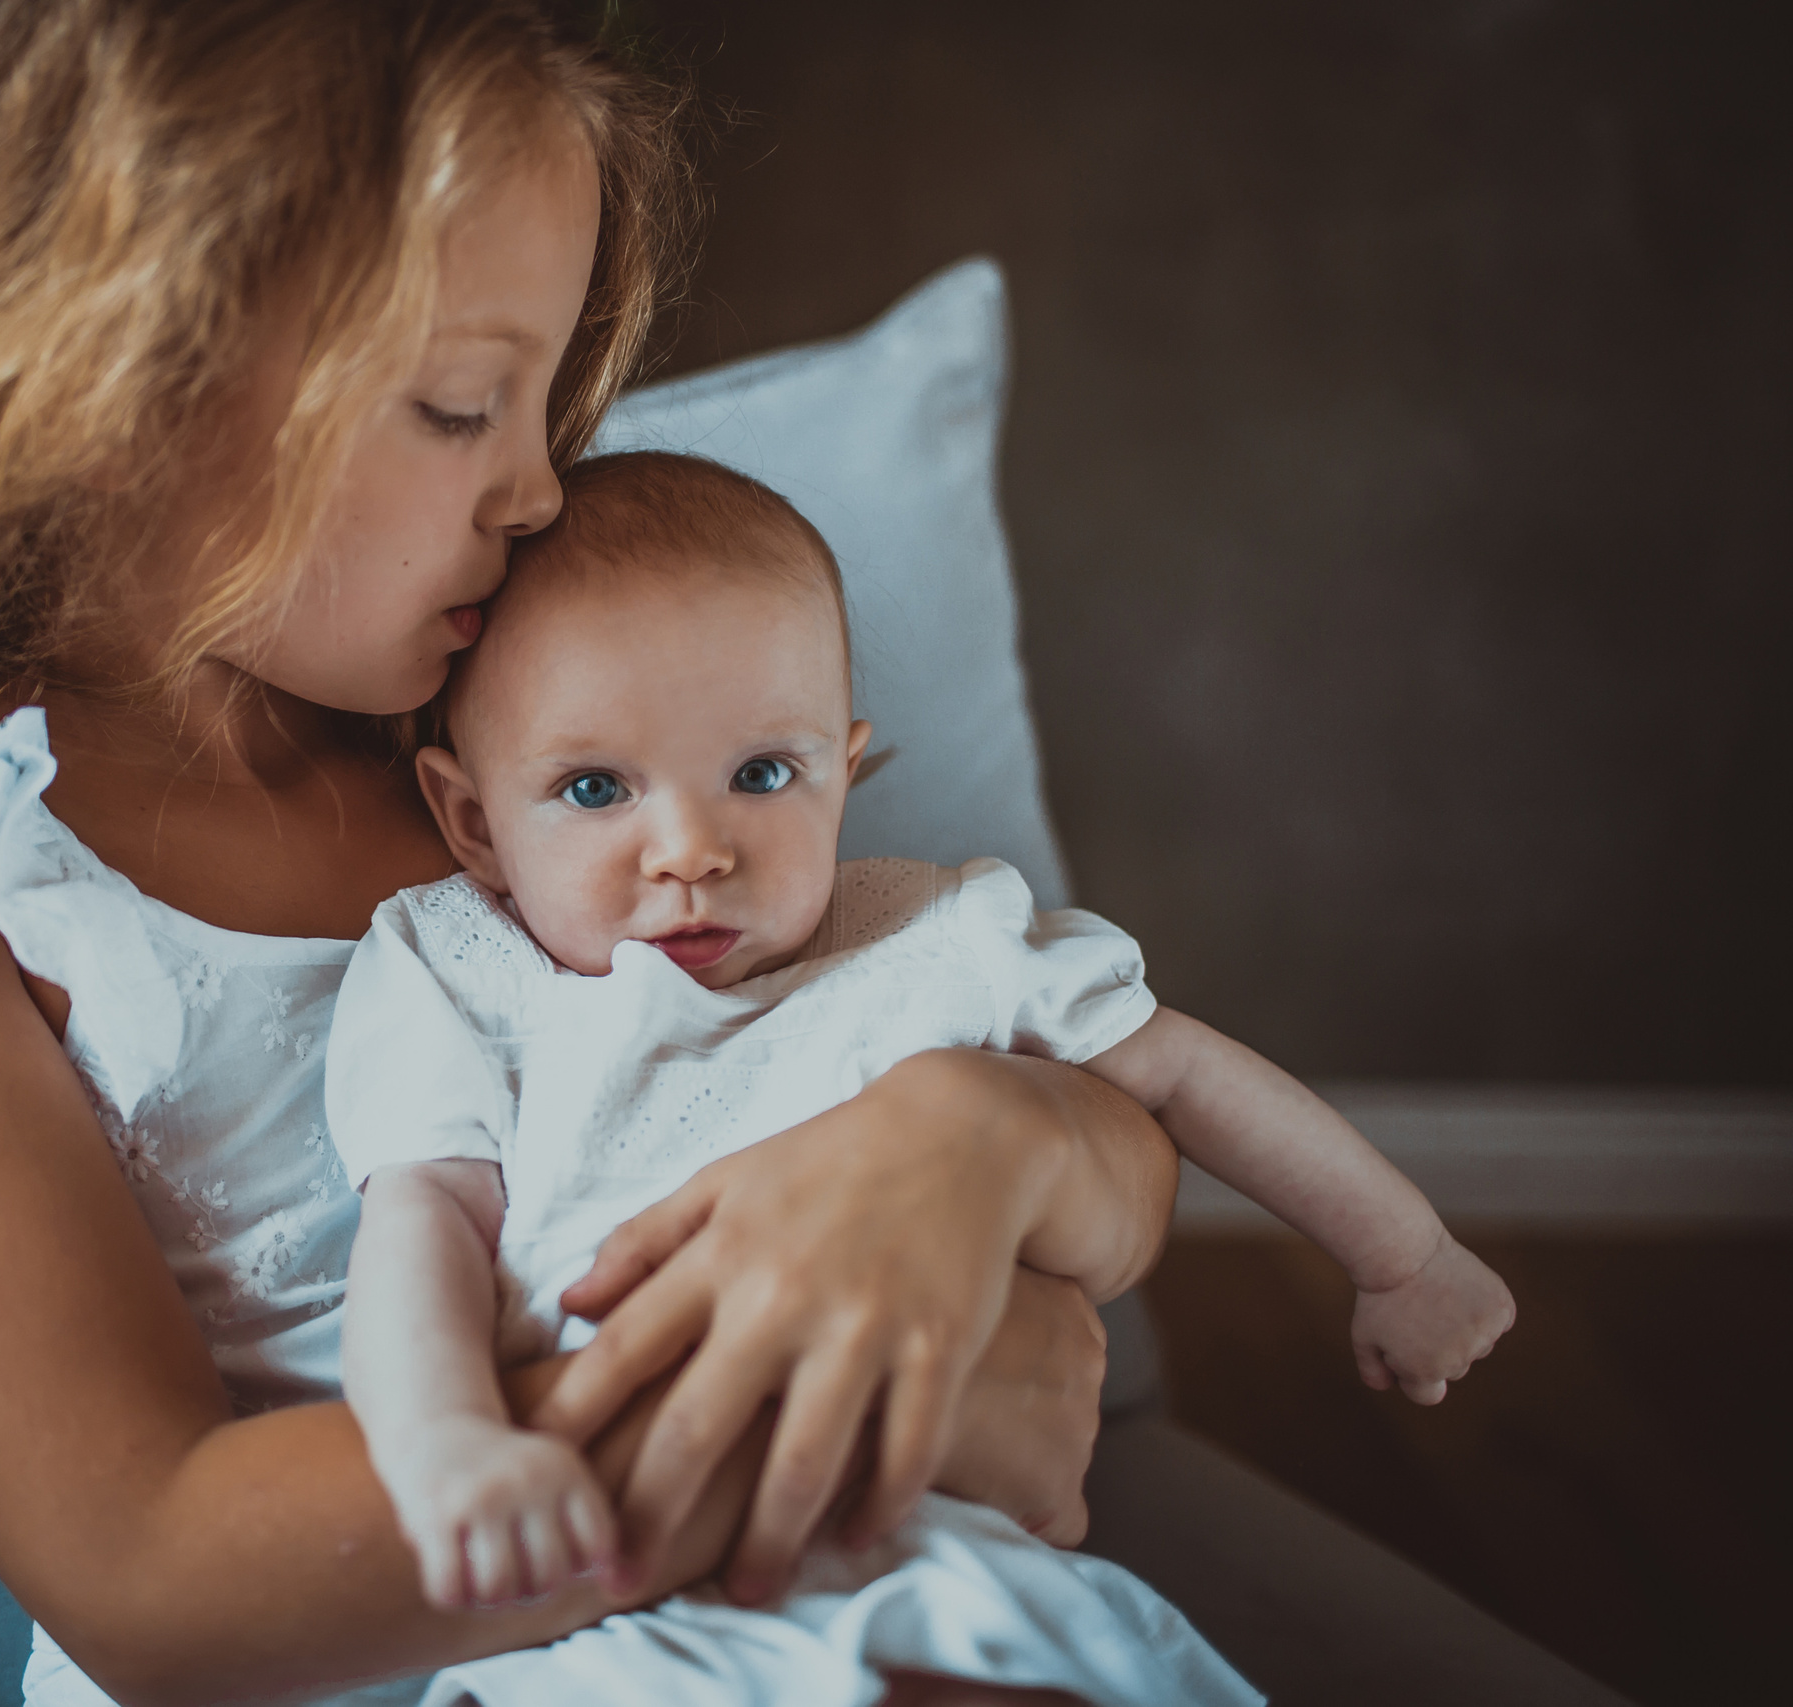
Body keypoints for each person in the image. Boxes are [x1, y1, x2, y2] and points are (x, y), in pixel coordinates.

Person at [0, 4, 1184, 1702]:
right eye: (461, 402)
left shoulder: (508, 720)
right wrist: (819, 1404)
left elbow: (1086, 1152)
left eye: (549, 395)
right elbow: (154, 1573)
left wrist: (979, 1139)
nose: (541, 489)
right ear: (109, 368)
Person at [327, 451, 1516, 1704]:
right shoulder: (462, 973)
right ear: (471, 823)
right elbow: (422, 1222)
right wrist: (447, 1441)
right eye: (592, 789)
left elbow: (1175, 1070)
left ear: (845, 768)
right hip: (615, 1611)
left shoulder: (928, 941)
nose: (689, 850)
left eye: (762, 774)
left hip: (937, 1552)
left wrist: (1402, 1255)